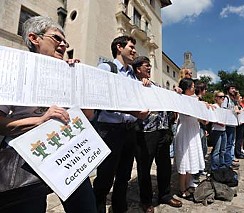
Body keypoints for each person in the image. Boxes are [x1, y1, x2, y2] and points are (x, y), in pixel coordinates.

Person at [0, 16, 97, 213]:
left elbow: (89, 115)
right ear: (34, 38)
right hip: (25, 162)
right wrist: (41, 120)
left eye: (65, 41)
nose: (63, 44)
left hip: (69, 155)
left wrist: (78, 83)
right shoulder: (13, 71)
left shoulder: (68, 73)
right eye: (57, 38)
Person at [92, 35, 149, 213]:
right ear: (119, 47)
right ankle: (97, 207)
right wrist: (133, 113)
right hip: (110, 131)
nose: (134, 51)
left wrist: (145, 86)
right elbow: (100, 100)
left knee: (124, 175)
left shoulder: (133, 75)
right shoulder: (106, 68)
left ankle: (119, 208)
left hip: (129, 131)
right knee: (105, 176)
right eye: (131, 47)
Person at [132, 56, 182, 213]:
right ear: (138, 68)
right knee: (144, 168)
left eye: (149, 65)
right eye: (146, 66)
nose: (149, 68)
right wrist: (141, 87)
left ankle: (164, 195)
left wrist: (175, 93)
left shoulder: (156, 85)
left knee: (165, 165)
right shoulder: (132, 84)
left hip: (162, 131)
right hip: (145, 133)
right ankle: (146, 201)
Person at [174, 78, 205, 201]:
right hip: (185, 131)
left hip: (193, 130)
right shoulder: (180, 98)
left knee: (191, 160)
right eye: (192, 86)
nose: (194, 88)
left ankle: (188, 185)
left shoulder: (196, 99)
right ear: (186, 88)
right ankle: (182, 189)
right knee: (184, 160)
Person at [209, 91, 228, 171]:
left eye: (223, 97)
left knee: (223, 149)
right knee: (216, 150)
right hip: (216, 130)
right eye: (220, 97)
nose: (222, 98)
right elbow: (212, 118)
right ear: (216, 98)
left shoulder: (222, 108)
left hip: (223, 130)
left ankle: (221, 165)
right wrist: (220, 123)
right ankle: (215, 168)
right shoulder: (214, 106)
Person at [222, 84, 240, 165]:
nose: (234, 90)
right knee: (227, 144)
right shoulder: (226, 98)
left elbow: (237, 107)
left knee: (231, 143)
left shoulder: (234, 100)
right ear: (228, 90)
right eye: (232, 88)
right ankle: (227, 162)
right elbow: (223, 110)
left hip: (233, 124)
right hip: (228, 124)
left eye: (234, 88)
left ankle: (229, 159)